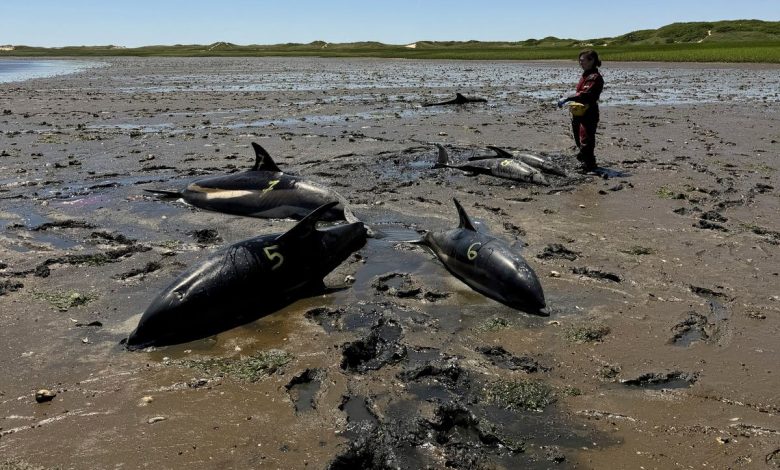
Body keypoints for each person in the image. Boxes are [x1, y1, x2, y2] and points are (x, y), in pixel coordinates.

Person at [558, 49, 604, 172]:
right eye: (579, 60)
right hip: (579, 111)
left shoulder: (594, 77)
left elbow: (586, 94)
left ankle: (589, 165)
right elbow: (579, 92)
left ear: (592, 61)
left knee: (586, 139)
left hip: (589, 112)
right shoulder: (585, 74)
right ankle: (584, 160)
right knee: (579, 138)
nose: (580, 62)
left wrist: (568, 97)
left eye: (583, 60)